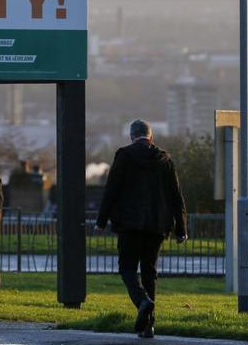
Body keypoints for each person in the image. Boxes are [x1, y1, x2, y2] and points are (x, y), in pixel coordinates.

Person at [95, 119, 187, 338]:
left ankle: (142, 301)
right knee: (149, 272)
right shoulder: (165, 159)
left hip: (130, 223)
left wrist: (101, 220)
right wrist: (181, 228)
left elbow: (112, 189)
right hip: (157, 225)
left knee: (127, 268)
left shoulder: (124, 155)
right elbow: (176, 195)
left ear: (131, 136)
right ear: (151, 137)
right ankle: (149, 326)